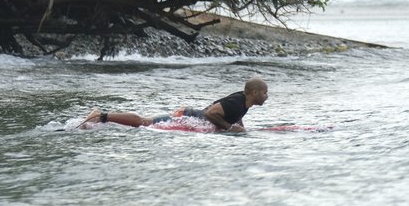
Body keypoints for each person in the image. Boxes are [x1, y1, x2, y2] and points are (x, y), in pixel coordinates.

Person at [81, 77, 269, 132]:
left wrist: (240, 129)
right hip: (187, 117)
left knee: (145, 122)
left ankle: (101, 116)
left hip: (189, 115)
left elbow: (234, 116)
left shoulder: (243, 103)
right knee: (144, 122)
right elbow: (212, 113)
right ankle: (100, 115)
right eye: (264, 93)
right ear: (254, 93)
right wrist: (229, 128)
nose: (267, 96)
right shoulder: (238, 102)